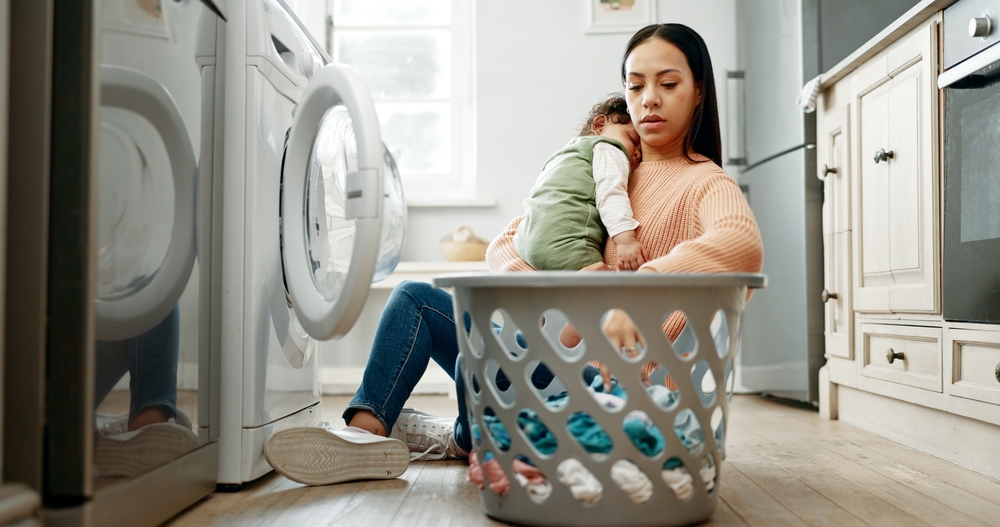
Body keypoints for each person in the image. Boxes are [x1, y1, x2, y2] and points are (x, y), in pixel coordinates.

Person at [262, 22, 763, 487]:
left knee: (480, 361)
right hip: (547, 363)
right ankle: (365, 439)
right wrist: (558, 296)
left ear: (698, 91)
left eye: (668, 84)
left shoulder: (702, 180)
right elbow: (510, 240)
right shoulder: (602, 160)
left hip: (616, 387)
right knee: (416, 299)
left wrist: (629, 294)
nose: (649, 99)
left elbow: (741, 242)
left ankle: (467, 437)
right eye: (635, 85)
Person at [514, 95, 647, 271]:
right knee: (605, 290)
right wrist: (625, 241)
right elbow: (611, 193)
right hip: (568, 245)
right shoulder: (609, 148)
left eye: (642, 151)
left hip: (524, 242)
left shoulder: (565, 154)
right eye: (632, 139)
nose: (637, 153)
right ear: (600, 125)